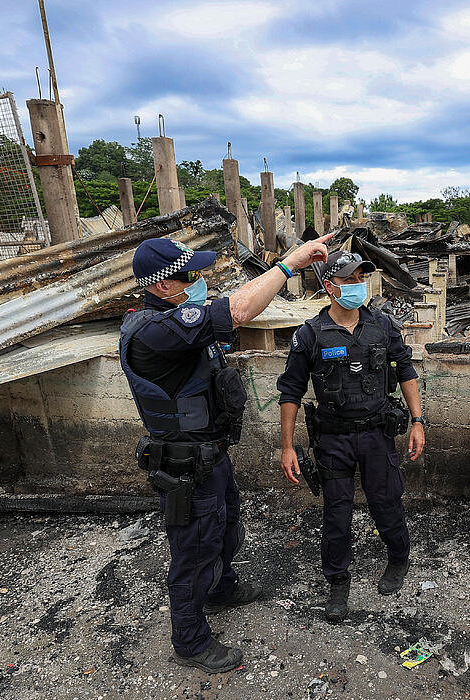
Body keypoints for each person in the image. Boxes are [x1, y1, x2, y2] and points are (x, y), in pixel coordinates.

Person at [120, 233, 332, 673]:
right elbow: (236, 310)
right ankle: (190, 641)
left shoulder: (177, 321)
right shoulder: (156, 330)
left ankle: (221, 592)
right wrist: (289, 263)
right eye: (188, 275)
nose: (197, 281)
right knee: (194, 552)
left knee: (225, 529)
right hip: (185, 466)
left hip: (211, 457)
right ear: (161, 285)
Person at [277, 250, 425, 623]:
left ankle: (397, 559)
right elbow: (290, 391)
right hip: (334, 440)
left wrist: (419, 420)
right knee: (336, 514)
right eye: (349, 279)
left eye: (362, 278)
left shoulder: (384, 325)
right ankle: (338, 582)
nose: (359, 285)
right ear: (330, 286)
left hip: (377, 435)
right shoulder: (310, 334)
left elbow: (406, 370)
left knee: (387, 503)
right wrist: (287, 446)